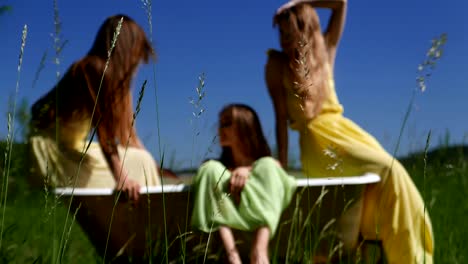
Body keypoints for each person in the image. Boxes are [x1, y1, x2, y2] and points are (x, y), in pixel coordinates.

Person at [265, 1, 434, 263]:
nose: (285, 41)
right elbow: (279, 120)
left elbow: (340, 3)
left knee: (385, 178)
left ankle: (394, 250)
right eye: (282, 35)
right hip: (318, 142)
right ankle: (408, 257)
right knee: (389, 169)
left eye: (291, 33)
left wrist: (300, 2)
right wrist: (283, 166)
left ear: (306, 28)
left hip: (346, 131)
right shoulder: (277, 67)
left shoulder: (325, 51)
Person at [29, 14, 161, 201]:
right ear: (127, 49)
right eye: (138, 53)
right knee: (138, 164)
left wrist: (155, 167)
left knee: (143, 160)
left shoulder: (120, 87)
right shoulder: (92, 69)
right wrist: (121, 178)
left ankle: (150, 219)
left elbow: (131, 137)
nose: (138, 63)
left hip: (73, 147)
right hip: (52, 151)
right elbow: (104, 132)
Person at [191, 103, 297, 264]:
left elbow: (277, 170)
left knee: (268, 165)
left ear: (245, 126)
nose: (220, 129)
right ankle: (232, 256)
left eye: (227, 123)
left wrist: (249, 169)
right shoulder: (217, 169)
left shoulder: (265, 166)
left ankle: (260, 252)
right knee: (209, 169)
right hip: (227, 239)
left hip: (259, 227)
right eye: (220, 124)